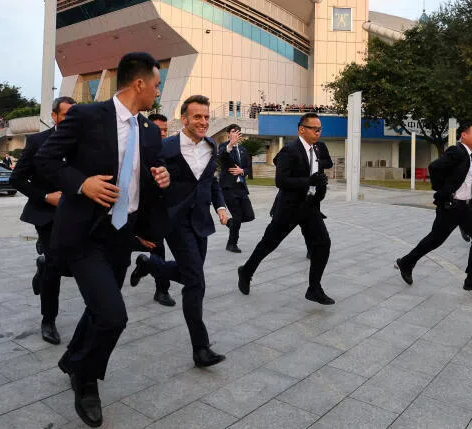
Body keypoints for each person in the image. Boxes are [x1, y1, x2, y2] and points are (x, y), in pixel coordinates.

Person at [35, 52, 170, 427]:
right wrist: (81, 183)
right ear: (140, 83)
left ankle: (73, 359)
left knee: (100, 307)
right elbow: (45, 161)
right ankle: (85, 378)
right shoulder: (87, 115)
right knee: (113, 316)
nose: (157, 91)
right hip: (84, 234)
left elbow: (145, 176)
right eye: (156, 84)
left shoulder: (148, 130)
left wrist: (161, 179)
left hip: (121, 235)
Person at [130, 95, 230, 367]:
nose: (204, 122)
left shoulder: (212, 147)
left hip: (201, 221)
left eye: (207, 117)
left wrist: (221, 207)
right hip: (175, 222)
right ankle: (201, 348)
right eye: (197, 117)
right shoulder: (166, 147)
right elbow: (147, 184)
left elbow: (212, 183)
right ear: (184, 119)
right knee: (196, 281)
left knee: (189, 275)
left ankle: (150, 264)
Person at [237, 112, 335, 305]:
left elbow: (319, 169)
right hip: (289, 208)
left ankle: (314, 288)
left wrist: (318, 183)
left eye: (319, 129)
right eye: (314, 129)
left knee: (323, 244)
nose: (318, 132)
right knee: (268, 244)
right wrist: (309, 180)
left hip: (310, 206)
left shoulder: (317, 148)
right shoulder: (290, 149)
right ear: (301, 129)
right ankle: (246, 271)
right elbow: (281, 181)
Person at [395, 122, 472, 292]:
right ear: (464, 135)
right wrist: (443, 191)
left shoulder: (469, 155)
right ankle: (406, 262)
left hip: (463, 208)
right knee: (435, 240)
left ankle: (471, 279)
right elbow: (434, 167)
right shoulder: (457, 151)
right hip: (451, 206)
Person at [10, 96, 76, 345]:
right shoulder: (38, 141)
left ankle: (43, 266)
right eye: (66, 115)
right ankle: (48, 320)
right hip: (47, 214)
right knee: (56, 266)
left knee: (71, 266)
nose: (70, 119)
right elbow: (17, 179)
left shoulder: (85, 141)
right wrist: (46, 197)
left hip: (77, 214)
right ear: (55, 116)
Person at [139, 112, 175, 307]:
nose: (161, 134)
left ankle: (162, 289)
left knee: (158, 250)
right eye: (157, 130)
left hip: (155, 212)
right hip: (131, 213)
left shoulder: (169, 150)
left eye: (164, 130)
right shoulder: (134, 148)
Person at [218, 124, 255, 253]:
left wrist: (242, 171)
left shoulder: (243, 150)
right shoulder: (224, 147)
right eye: (233, 131)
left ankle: (229, 222)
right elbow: (222, 157)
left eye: (238, 132)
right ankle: (231, 244)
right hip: (228, 187)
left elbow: (248, 168)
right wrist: (230, 145)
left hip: (241, 187)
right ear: (228, 134)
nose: (236, 133)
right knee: (238, 216)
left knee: (249, 215)